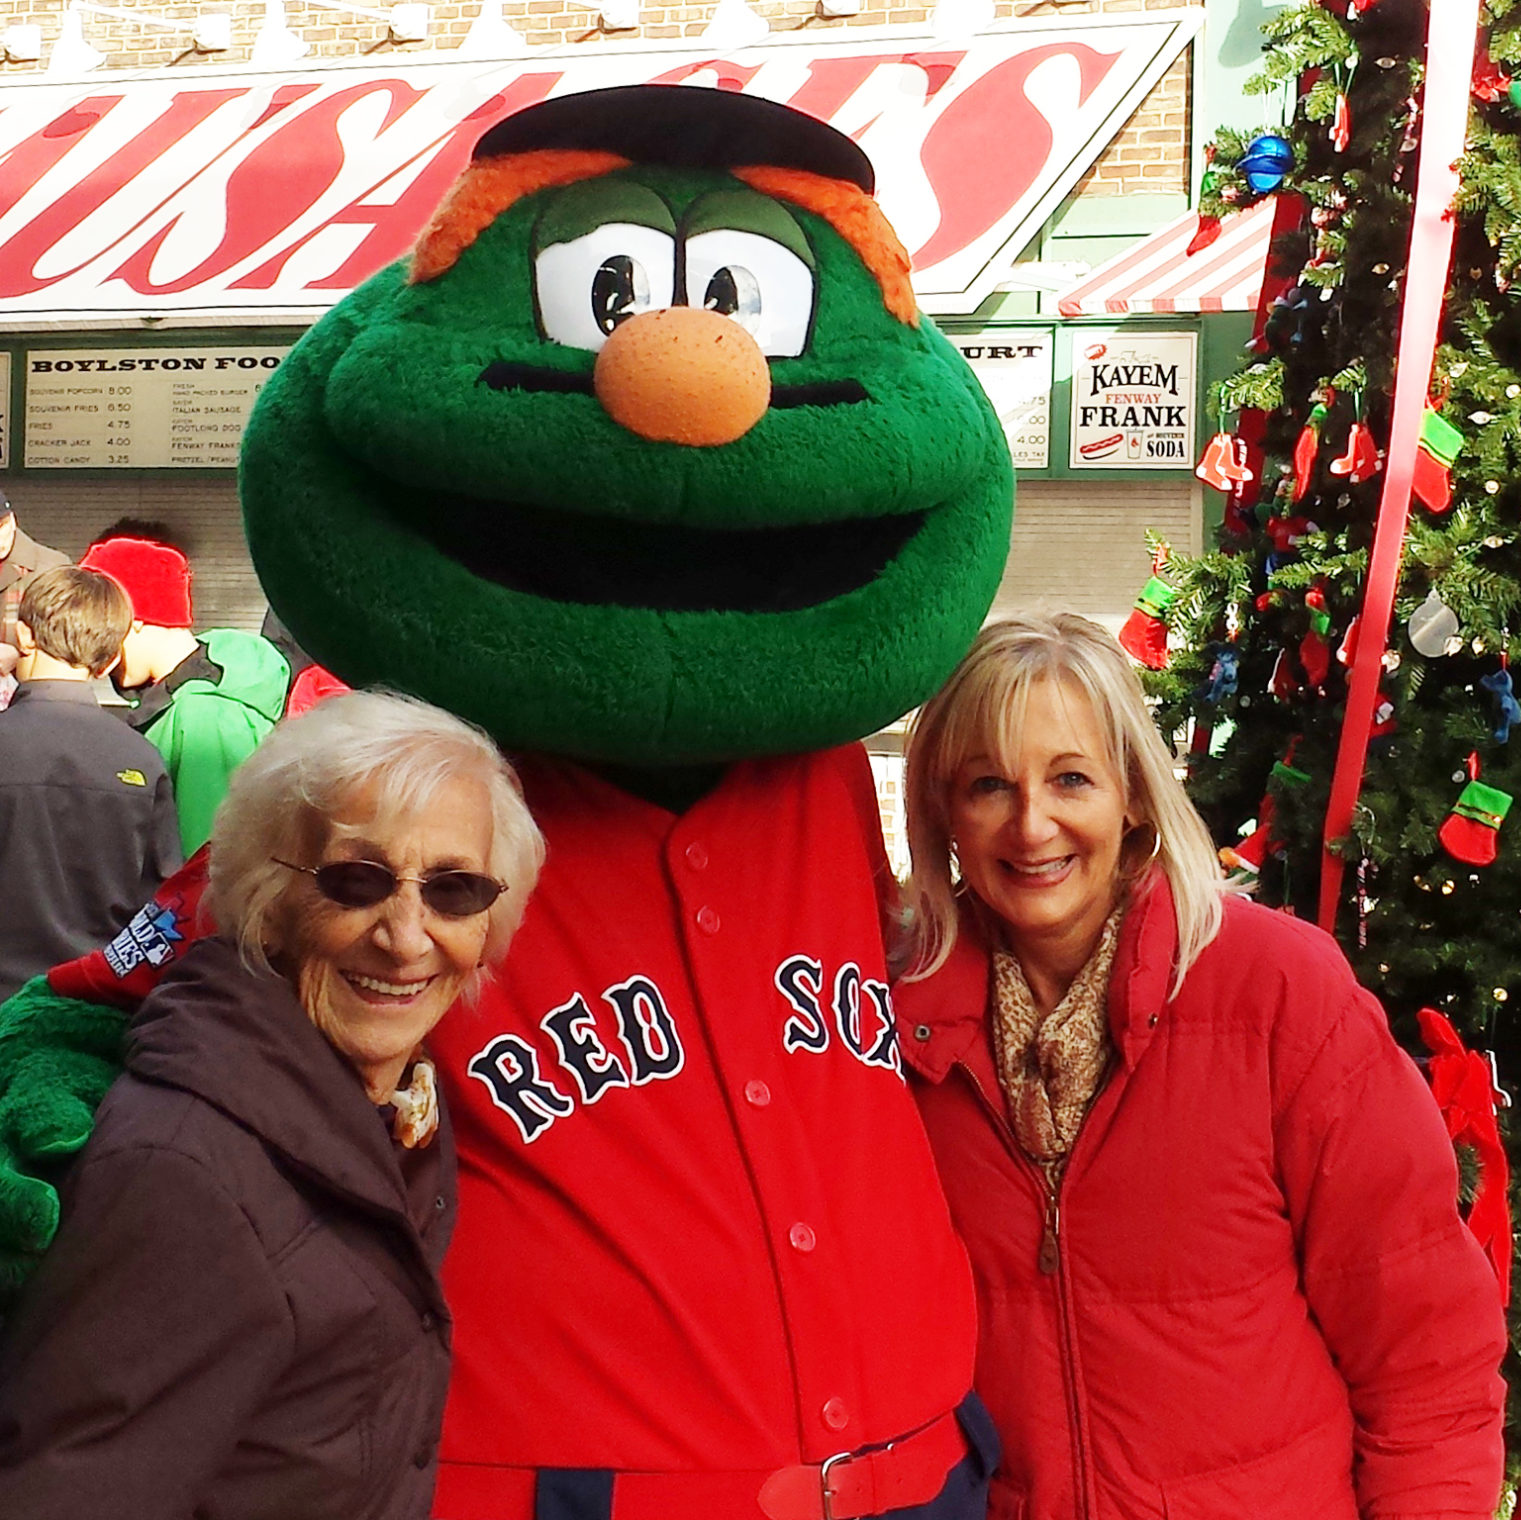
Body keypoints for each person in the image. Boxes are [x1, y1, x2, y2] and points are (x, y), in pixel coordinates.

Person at [0, 84, 1014, 1520]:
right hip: (555, 1478)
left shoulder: (828, 779)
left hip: (913, 1462)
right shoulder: (386, 785)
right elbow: (138, 991)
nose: (690, 375)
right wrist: (51, 1109)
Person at [896, 614, 1508, 1520]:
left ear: (1135, 795)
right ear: (946, 812)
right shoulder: (890, 1022)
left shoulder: (1278, 993)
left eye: (1071, 779)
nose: (1032, 826)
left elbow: (1424, 1350)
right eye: (990, 786)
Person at [0, 689, 545, 1519]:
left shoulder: (393, 1110)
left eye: (455, 891)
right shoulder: (186, 1174)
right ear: (268, 898)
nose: (406, 936)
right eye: (356, 882)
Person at [0, 567, 180, 1003]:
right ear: (108, 660)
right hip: (94, 1002)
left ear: (24, 637)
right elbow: (164, 904)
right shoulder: (141, 756)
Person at [75, 529, 289, 853]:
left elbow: (202, 868)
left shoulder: (205, 716)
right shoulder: (190, 701)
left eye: (99, 625)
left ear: (132, 619)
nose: (97, 648)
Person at [0, 499, 71, 710]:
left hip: (33, 706)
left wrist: (18, 655)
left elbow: (71, 644)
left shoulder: (50, 569)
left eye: (1, 526)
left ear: (12, 520)